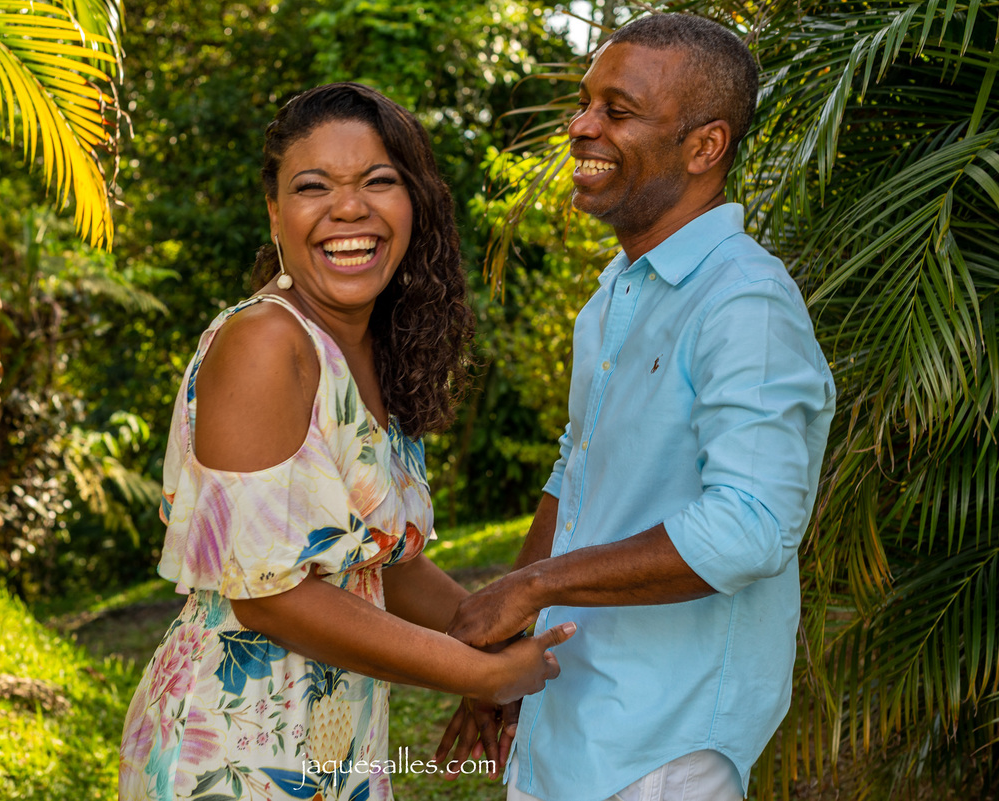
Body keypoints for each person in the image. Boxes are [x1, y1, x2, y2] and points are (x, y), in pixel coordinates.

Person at [117, 82, 574, 801]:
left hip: (335, 743)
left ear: (414, 202)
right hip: (233, 749)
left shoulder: (372, 351)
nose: (349, 208)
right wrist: (475, 672)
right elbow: (268, 596)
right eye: (313, 186)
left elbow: (374, 561)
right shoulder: (267, 342)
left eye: (378, 181)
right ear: (275, 211)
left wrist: (486, 635)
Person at [434, 15, 837, 801]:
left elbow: (749, 527)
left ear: (704, 146)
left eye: (617, 111)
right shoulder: (614, 296)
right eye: (586, 103)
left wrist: (533, 585)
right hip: (570, 713)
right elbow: (575, 472)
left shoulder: (745, 302)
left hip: (662, 748)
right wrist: (507, 649)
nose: (581, 126)